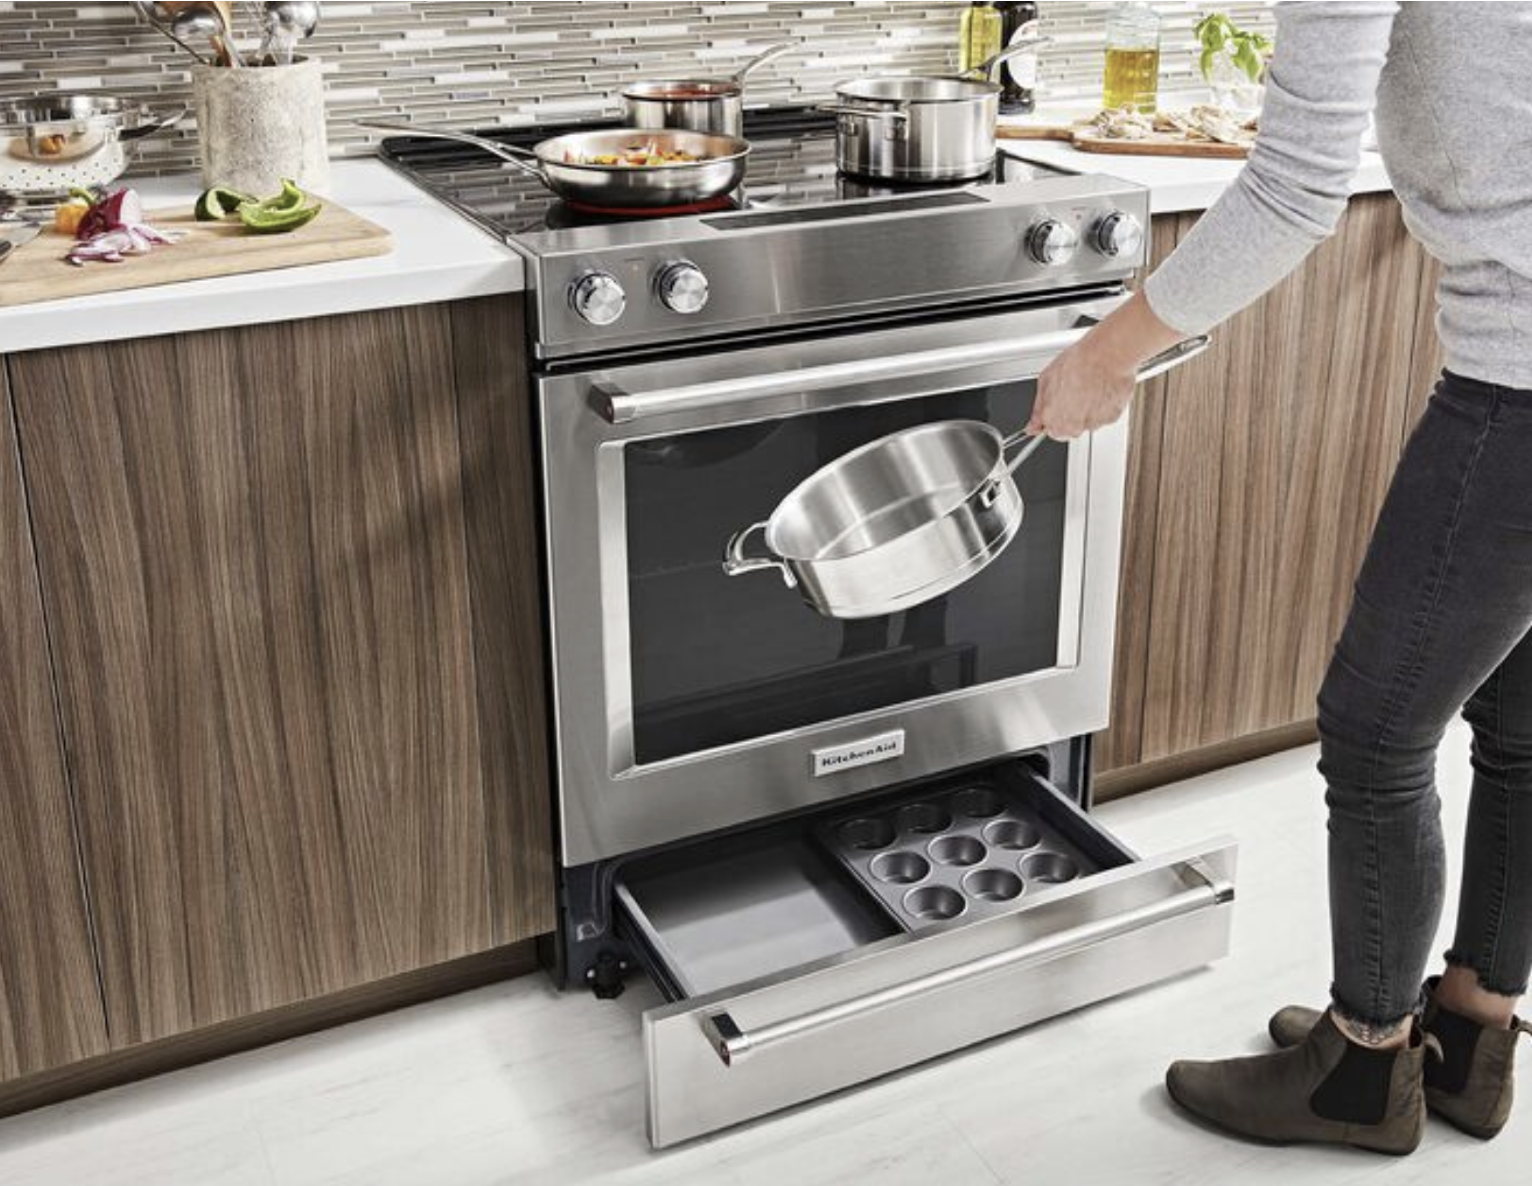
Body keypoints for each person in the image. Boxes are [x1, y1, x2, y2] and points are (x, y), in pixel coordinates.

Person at [1027, 1, 1532, 1155]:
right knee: (1510, 718)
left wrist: (1105, 355)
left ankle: (1359, 1070)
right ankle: (1467, 1036)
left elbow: (1294, 188)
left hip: (1517, 383)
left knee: (1374, 733)